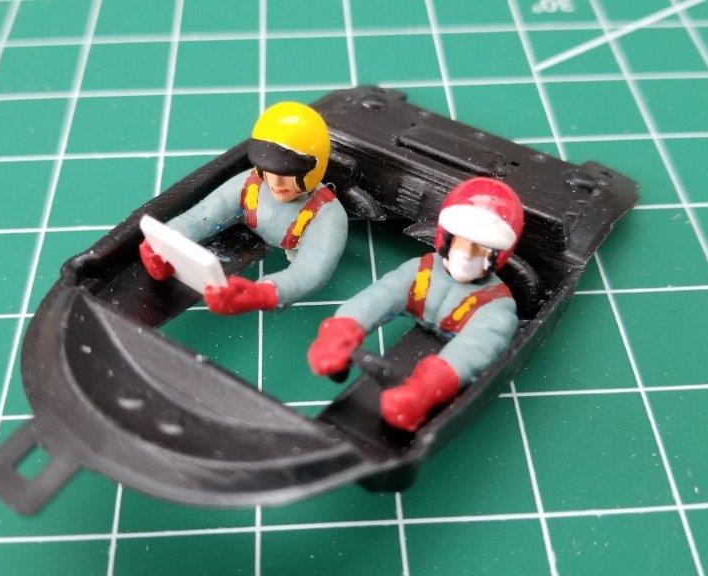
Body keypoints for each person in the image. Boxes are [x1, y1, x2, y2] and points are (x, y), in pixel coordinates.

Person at [307, 178, 523, 431]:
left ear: (497, 256)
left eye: (479, 251)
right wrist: (340, 330)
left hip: (440, 365)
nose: (466, 257)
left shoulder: (496, 307)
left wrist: (425, 390)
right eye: (460, 243)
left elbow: (469, 352)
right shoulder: (423, 271)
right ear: (446, 238)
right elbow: (382, 296)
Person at [139, 102, 348, 315]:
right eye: (270, 168)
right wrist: (165, 240)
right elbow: (203, 216)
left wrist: (265, 293)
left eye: (289, 172)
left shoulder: (326, 215)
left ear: (313, 170)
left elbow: (312, 268)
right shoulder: (251, 184)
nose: (276, 182)